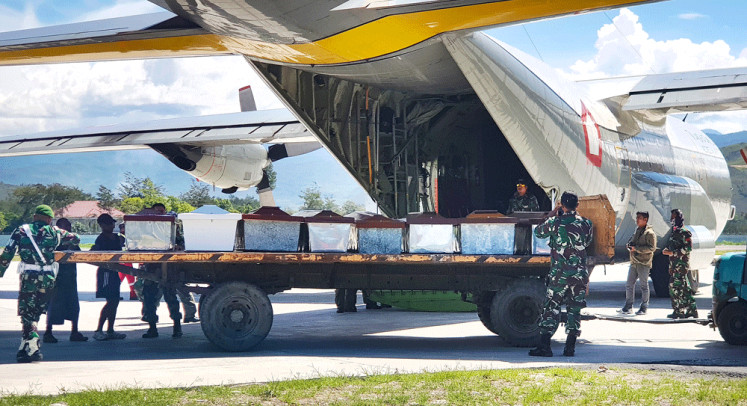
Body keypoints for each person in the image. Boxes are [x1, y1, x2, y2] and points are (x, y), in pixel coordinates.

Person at [0, 204, 80, 363]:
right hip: (49, 278)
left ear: (35, 217)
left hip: (29, 277)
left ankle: (33, 345)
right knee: (35, 312)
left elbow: (7, 253)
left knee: (26, 311)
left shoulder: (22, 230)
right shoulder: (56, 231)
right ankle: (25, 347)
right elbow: (76, 238)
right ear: (50, 220)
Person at [529, 191, 593, 357]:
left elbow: (538, 232)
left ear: (562, 205)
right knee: (575, 309)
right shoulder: (586, 224)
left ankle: (545, 346)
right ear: (577, 205)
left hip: (560, 274)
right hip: (579, 274)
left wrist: (553, 213)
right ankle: (570, 347)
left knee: (551, 307)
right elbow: (587, 242)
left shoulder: (554, 222)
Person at [43, 218, 88, 344]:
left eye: (69, 227)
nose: (68, 229)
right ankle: (48, 332)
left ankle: (75, 331)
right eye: (65, 227)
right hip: (57, 278)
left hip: (70, 278)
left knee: (73, 305)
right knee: (53, 305)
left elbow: (78, 253)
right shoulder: (54, 241)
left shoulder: (72, 240)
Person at [91, 213, 126, 341]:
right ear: (102, 225)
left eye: (112, 223)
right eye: (109, 223)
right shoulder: (101, 239)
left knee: (115, 301)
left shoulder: (117, 238)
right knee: (110, 301)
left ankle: (110, 330)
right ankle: (99, 329)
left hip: (115, 271)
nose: (112, 225)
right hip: (105, 272)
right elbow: (95, 253)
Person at [618, 211, 657, 316]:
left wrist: (637, 249)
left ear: (645, 220)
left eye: (639, 218)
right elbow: (634, 242)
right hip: (634, 262)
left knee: (644, 286)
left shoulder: (650, 234)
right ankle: (628, 306)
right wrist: (630, 246)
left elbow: (652, 248)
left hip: (644, 263)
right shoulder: (637, 230)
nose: (637, 220)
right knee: (629, 285)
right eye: (637, 217)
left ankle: (644, 307)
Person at [662, 209, 698, 319]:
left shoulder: (684, 232)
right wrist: (667, 251)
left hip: (681, 265)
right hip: (674, 265)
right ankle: (679, 310)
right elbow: (674, 246)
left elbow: (688, 248)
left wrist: (673, 253)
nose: (672, 220)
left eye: (674, 218)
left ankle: (690, 310)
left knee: (681, 288)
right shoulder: (674, 232)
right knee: (677, 288)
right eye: (671, 218)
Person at [118, 223, 137, 300]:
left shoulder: (126, 237)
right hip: (123, 260)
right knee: (123, 278)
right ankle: (132, 294)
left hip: (126, 260)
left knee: (130, 278)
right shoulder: (121, 238)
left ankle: (133, 294)